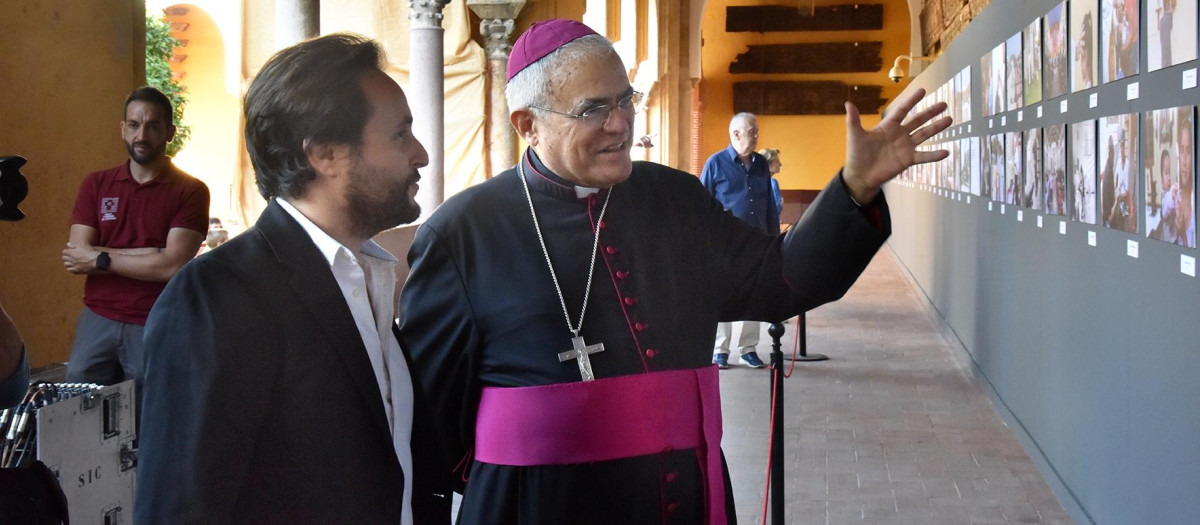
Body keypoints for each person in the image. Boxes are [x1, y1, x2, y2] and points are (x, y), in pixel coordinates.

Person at [399, 19, 950, 524]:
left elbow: (780, 279)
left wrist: (854, 188)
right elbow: (430, 422)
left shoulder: (677, 200)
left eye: (626, 99)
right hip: (536, 504)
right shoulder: (461, 234)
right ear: (527, 125)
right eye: (593, 109)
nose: (620, 124)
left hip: (679, 496)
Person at [135, 34, 445, 524]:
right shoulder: (218, 297)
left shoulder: (369, 275)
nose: (421, 154)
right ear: (325, 154)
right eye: (400, 134)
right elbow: (180, 508)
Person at [60, 86, 210, 392]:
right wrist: (151, 253)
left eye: (153, 126)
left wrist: (101, 256)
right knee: (77, 404)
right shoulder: (97, 183)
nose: (142, 135)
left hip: (154, 319)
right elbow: (77, 257)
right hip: (97, 316)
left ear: (169, 132)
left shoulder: (190, 191)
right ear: (123, 129)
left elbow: (171, 266)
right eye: (133, 125)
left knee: (148, 413)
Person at [701, 113, 777, 369]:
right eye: (752, 132)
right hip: (723, 244)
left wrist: (773, 241)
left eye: (756, 131)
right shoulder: (715, 164)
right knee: (722, 293)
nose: (757, 136)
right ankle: (720, 350)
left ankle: (748, 349)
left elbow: (768, 206)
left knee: (752, 294)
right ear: (736, 134)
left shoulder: (761, 166)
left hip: (755, 242)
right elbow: (702, 205)